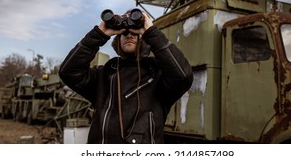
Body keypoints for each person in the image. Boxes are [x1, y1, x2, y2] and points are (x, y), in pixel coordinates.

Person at [58, 9, 193, 144]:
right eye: (124, 32)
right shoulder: (103, 76)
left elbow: (183, 76)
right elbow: (69, 72)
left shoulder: (159, 76)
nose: (129, 35)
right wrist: (98, 34)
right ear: (118, 39)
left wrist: (151, 32)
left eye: (135, 31)